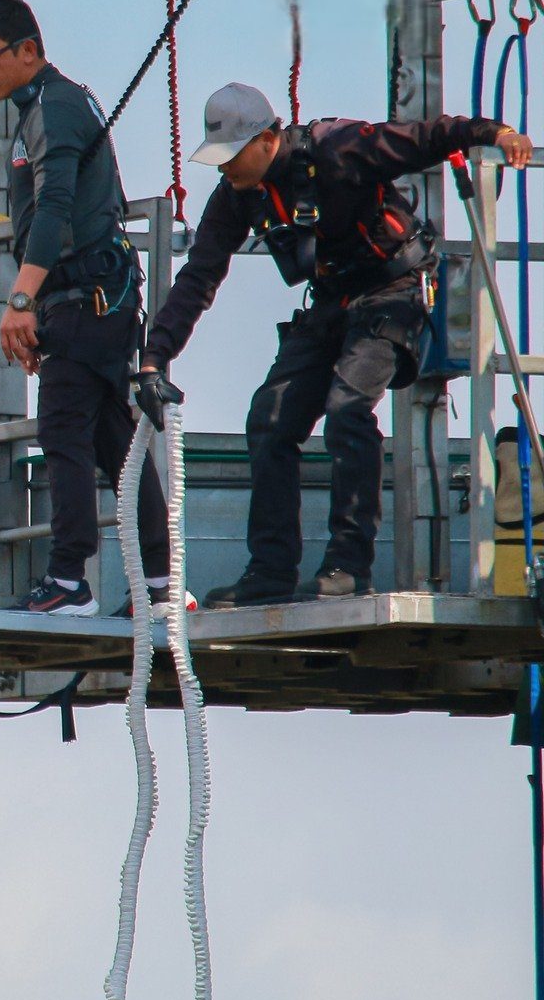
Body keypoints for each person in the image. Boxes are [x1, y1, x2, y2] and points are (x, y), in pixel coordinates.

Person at [135, 83, 533, 607]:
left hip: (394, 290)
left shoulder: (339, 148)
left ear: (267, 138)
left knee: (348, 408)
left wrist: (495, 133)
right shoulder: (237, 194)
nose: (225, 168)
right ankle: (270, 571)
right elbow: (199, 276)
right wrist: (154, 358)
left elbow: (425, 136)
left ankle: (349, 566)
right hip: (333, 302)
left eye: (232, 155)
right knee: (269, 418)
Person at [0, 0, 178, 616]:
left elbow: (54, 209)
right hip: (88, 304)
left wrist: (20, 299)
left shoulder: (54, 106)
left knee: (62, 429)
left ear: (28, 49)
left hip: (88, 300)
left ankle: (69, 579)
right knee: (114, 440)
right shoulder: (46, 106)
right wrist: (41, 307)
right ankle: (161, 585)